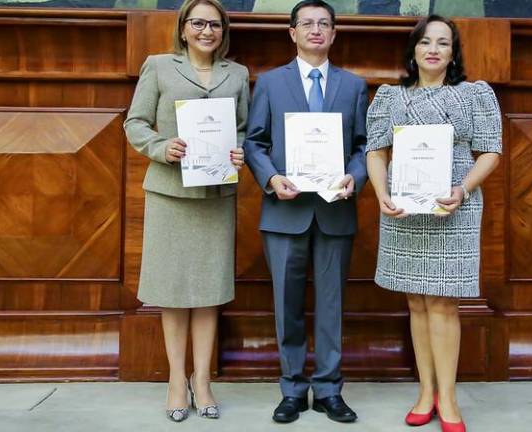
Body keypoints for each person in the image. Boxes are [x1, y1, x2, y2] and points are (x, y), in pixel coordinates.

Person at [365, 15, 502, 432]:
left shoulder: (474, 95)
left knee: (443, 302)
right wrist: (381, 192)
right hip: (405, 210)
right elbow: (375, 150)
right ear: (413, 50)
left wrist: (463, 189)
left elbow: (491, 151)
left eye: (443, 43)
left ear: (452, 52)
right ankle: (426, 392)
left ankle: (450, 400)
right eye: (425, 42)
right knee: (416, 302)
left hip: (452, 208)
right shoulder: (390, 97)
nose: (433, 50)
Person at [123, 0, 249, 422]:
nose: (206, 31)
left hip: (215, 196)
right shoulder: (158, 66)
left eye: (214, 24)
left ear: (223, 30)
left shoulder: (238, 74)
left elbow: (245, 128)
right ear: (183, 29)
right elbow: (135, 123)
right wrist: (162, 148)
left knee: (209, 293)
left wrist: (239, 151)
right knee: (173, 293)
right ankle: (177, 380)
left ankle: (203, 380)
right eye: (198, 23)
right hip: (170, 196)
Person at [243, 0, 368, 424]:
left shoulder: (353, 86)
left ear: (334, 34)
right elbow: (254, 143)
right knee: (287, 304)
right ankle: (293, 389)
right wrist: (272, 178)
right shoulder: (271, 83)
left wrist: (356, 176)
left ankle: (330, 389)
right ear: (292, 33)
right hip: (284, 210)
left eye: (324, 24)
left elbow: (364, 146)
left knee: (332, 304)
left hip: (335, 210)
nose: (316, 30)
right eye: (307, 24)